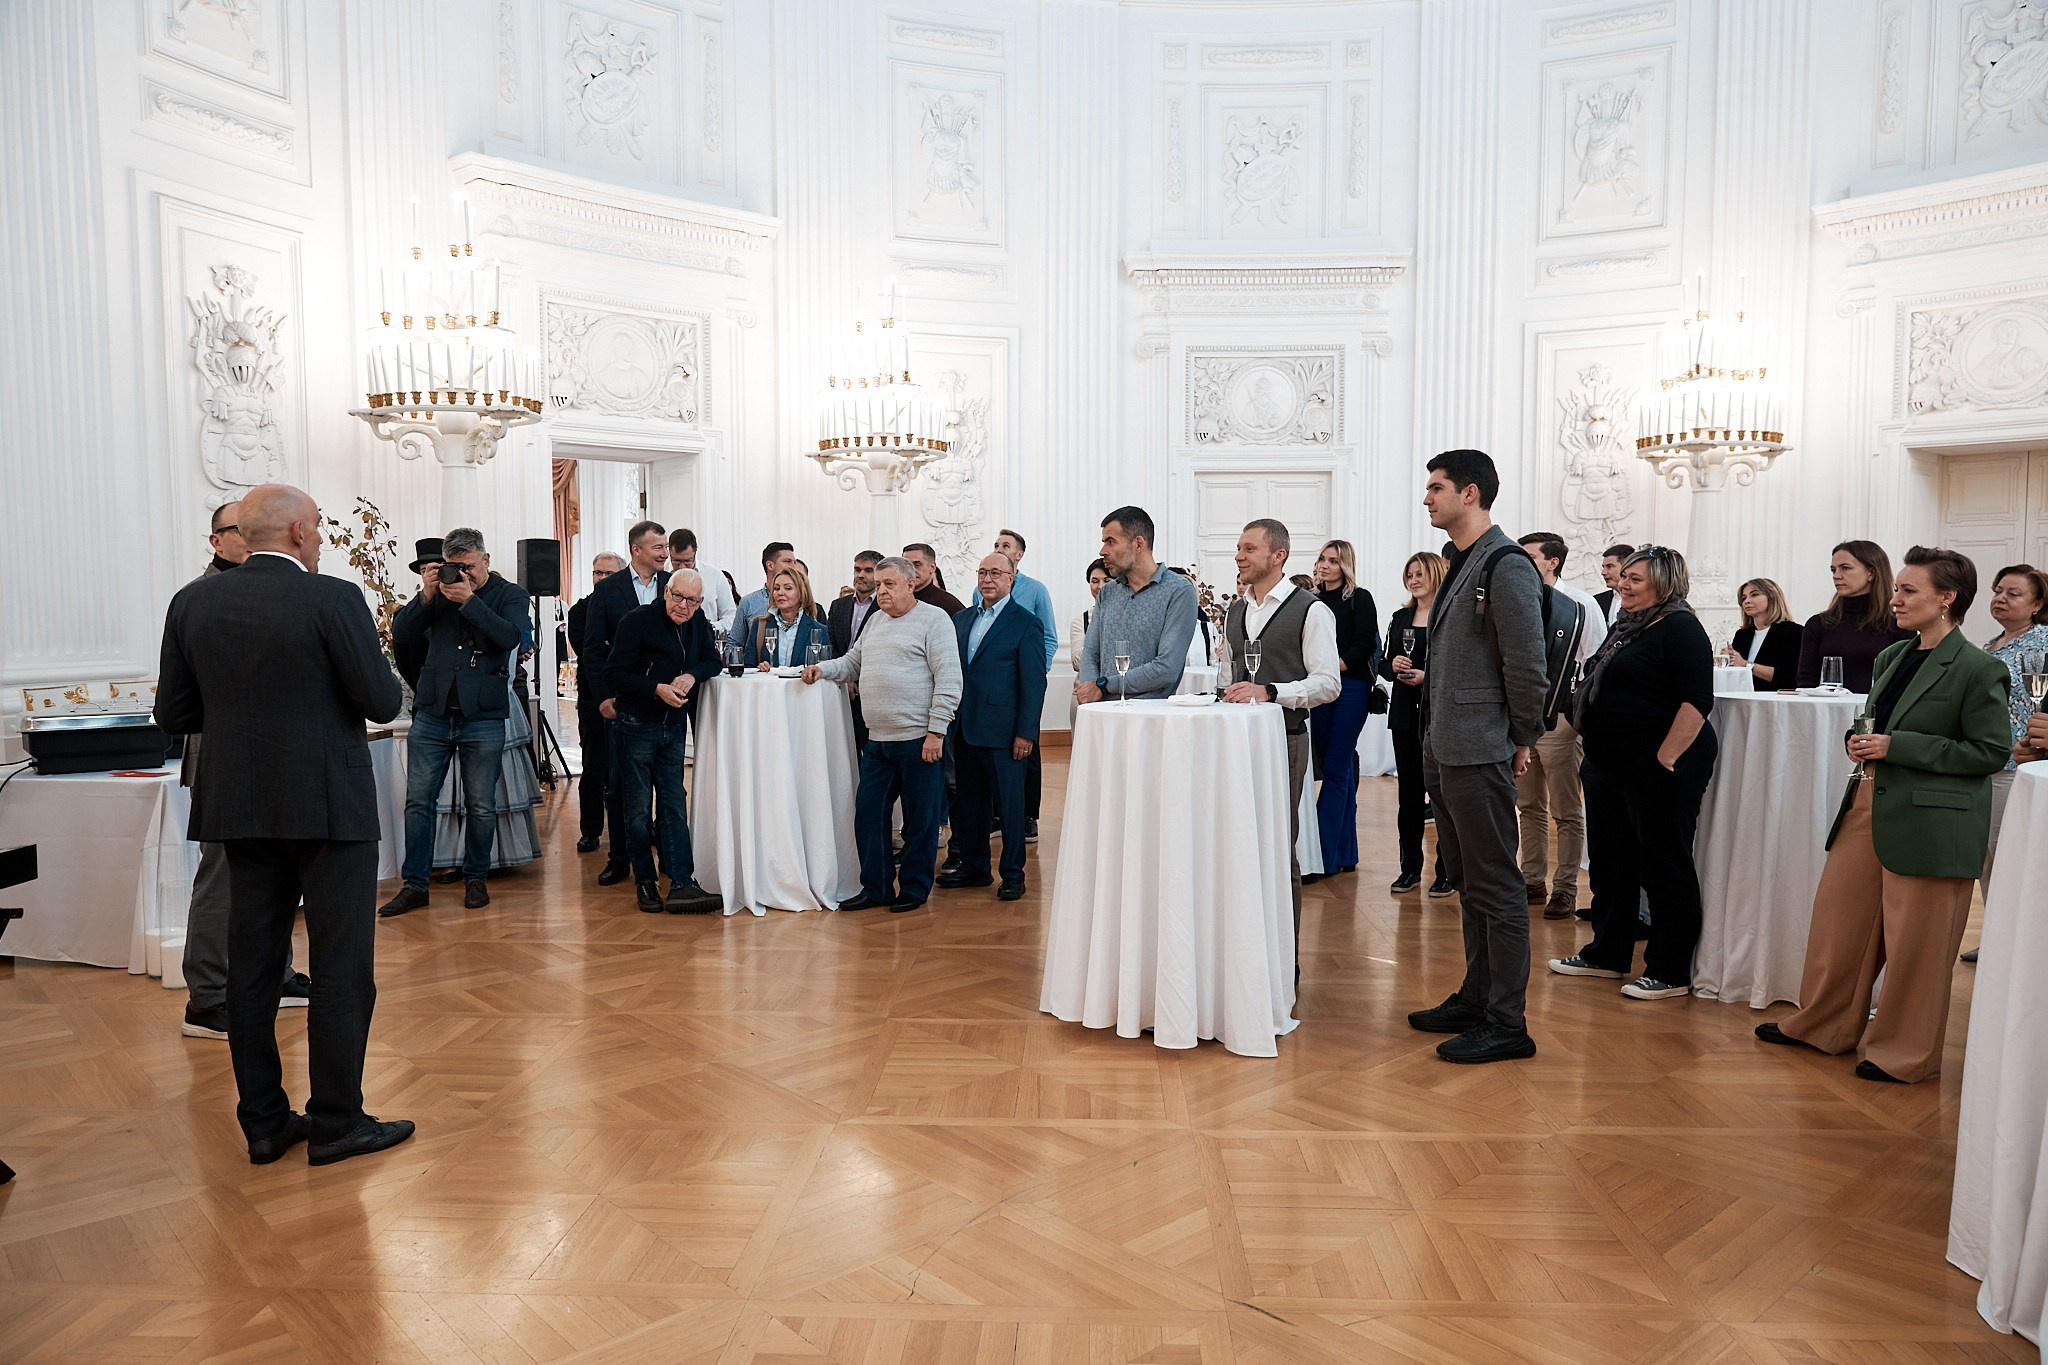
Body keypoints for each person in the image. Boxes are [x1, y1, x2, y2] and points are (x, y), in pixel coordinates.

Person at [154, 482, 412, 1167]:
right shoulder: (332, 598)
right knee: (341, 967)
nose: (324, 538)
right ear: (298, 532)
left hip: (239, 807)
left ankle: (265, 1123)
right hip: (330, 808)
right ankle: (336, 1121)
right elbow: (383, 697)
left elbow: (173, 713)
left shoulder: (192, 602)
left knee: (253, 968)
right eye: (320, 527)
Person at [1758, 547, 2012, 1083]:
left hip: (1933, 819)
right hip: (1868, 803)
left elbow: (1989, 752)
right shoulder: (1892, 658)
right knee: (1839, 924)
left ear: (1947, 598)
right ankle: (1824, 1024)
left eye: (1908, 590)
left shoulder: (1979, 667)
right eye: (1896, 588)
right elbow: (1874, 722)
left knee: (1918, 946)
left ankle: (1904, 1053)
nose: (1895, 599)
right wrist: (1860, 739)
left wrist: (1898, 746)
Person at [1403, 450, 1549, 1065]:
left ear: (1470, 492)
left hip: (1480, 746)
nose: (1428, 498)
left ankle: (1507, 1022)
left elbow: (1527, 663)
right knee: (1467, 880)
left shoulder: (1506, 563)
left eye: (1436, 488)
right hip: (1448, 745)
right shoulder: (1461, 563)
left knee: (1496, 883)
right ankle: (1476, 995)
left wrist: (1522, 737)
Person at [1548, 546, 1718, 999]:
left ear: (1664, 583)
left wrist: (1663, 760)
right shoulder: (1628, 626)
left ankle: (1669, 969)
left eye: (1635, 579)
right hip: (1609, 763)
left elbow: (1697, 701)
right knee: (1611, 861)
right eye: (1623, 576)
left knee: (1664, 864)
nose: (1623, 584)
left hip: (1658, 764)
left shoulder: (1679, 627)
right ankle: (1607, 953)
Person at [178, 499, 310, 1040]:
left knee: (274, 873)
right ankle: (207, 996)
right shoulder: (198, 600)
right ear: (217, 541)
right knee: (225, 876)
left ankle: (273, 976)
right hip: (225, 755)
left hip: (273, 755)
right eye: (240, 531)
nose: (253, 539)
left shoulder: (277, 592)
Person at [380, 527, 527, 917]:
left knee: (481, 805)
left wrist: (469, 601)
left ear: (486, 560)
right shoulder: (438, 593)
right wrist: (426, 595)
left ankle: (475, 878)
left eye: (470, 567)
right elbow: (402, 634)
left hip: (483, 716)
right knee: (418, 803)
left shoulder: (510, 594)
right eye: (454, 567)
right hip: (433, 712)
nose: (463, 575)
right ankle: (415, 885)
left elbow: (509, 637)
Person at [804, 557, 961, 912]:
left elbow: (950, 678)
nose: (881, 591)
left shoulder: (934, 620)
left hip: (919, 739)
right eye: (878, 585)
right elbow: (852, 663)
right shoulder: (875, 622)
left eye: (889, 584)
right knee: (868, 814)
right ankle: (876, 888)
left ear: (911, 584)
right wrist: (822, 669)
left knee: (920, 821)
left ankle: (915, 889)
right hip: (878, 740)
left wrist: (937, 731)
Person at [1221, 520, 1341, 957]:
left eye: (1249, 548)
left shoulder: (1311, 610)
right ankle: (1239, 952)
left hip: (1284, 741)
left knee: (1276, 845)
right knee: (1233, 844)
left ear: (1279, 556)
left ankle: (1282, 961)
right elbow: (1230, 674)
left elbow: (1329, 683)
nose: (1239, 556)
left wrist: (1272, 691)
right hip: (1232, 744)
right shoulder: (1236, 611)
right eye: (1238, 547)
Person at [603, 570, 724, 915]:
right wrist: (656, 688)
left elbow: (712, 660)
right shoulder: (637, 621)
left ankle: (682, 881)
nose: (683, 607)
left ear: (701, 603)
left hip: (673, 728)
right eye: (678, 597)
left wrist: (692, 674)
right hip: (637, 724)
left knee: (673, 804)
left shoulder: (698, 622)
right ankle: (645, 880)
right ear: (666, 592)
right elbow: (614, 674)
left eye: (692, 601)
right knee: (638, 810)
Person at [938, 553, 1047, 900]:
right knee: (969, 803)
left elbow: (1033, 683)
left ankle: (1013, 874)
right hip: (964, 727)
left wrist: (1026, 732)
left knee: (1010, 807)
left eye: (996, 573)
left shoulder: (1025, 623)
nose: (988, 579)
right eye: (983, 572)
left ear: (1012, 577)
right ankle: (974, 867)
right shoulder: (962, 619)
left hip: (1005, 733)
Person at [1514, 531, 1607, 921]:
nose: (1521, 563)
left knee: (1567, 809)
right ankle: (1532, 879)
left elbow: (1596, 663)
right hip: (1522, 719)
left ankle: (1565, 888)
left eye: (1529, 557)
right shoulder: (1518, 600)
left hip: (1562, 720)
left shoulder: (1581, 605)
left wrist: (1578, 719)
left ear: (1552, 562)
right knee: (1528, 805)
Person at [580, 521, 669, 887]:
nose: (665, 552)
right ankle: (619, 859)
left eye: (665, 547)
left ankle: (668, 854)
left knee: (666, 787)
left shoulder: (673, 587)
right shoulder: (609, 590)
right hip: (621, 702)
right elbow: (592, 649)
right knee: (617, 786)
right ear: (637, 550)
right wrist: (603, 696)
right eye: (658, 547)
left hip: (666, 704)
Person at [1969, 564, 2048, 948]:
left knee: (2008, 859)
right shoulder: (1989, 644)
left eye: (2013, 593)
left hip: (2021, 764)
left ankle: (2014, 945)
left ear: (2037, 604)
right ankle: (1995, 941)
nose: (2000, 598)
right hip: (1985, 761)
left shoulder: (2045, 642)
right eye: (1997, 590)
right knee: (1986, 860)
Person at [1304, 539, 1379, 881]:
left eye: (1333, 560)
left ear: (1344, 565)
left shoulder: (1359, 599)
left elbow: (1365, 642)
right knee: (1342, 768)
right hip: (1319, 689)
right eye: (1322, 559)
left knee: (1335, 768)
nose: (1325, 565)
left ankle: (1322, 855)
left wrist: (1332, 667)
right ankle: (1345, 852)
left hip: (1351, 687)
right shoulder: (1310, 601)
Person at [1077, 506, 1197, 703]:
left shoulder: (1179, 592)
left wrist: (1103, 685)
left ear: (1138, 544)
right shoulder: (1108, 592)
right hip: (1102, 711)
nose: (1102, 551)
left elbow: (1167, 668)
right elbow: (1090, 651)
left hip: (1149, 717)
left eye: (1111, 542)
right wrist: (1090, 689)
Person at [1381, 551, 1449, 896]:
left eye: (1420, 573)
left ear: (1435, 574)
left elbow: (1457, 666)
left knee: (1442, 798)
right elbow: (1380, 663)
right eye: (1410, 574)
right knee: (1409, 797)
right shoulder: (1400, 617)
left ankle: (1446, 871)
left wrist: (1427, 676)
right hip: (1406, 714)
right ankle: (1409, 869)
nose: (1414, 579)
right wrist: (1391, 664)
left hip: (1438, 714)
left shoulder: (1447, 615)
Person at [994, 529, 1059, 843]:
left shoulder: (1036, 590)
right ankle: (998, 813)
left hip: (1027, 680)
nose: (999, 548)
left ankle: (1029, 815)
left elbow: (1048, 637)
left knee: (1028, 747)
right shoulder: (982, 590)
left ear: (1019, 554)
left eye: (1005, 545)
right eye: (996, 544)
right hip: (995, 686)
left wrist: (1037, 673)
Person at [1796, 540, 1914, 691]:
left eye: (1845, 568)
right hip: (1826, 711)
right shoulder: (1818, 624)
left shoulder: (1898, 623)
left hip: (1877, 711)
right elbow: (1806, 682)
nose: (1836, 576)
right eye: (1833, 570)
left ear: (1871, 572)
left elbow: (1904, 681)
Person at [565, 552, 623, 854]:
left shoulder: (631, 606)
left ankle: (630, 832)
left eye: (609, 574)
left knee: (627, 768)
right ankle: (590, 830)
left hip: (629, 696)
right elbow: (590, 652)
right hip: (593, 696)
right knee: (593, 766)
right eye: (597, 572)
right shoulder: (580, 611)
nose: (601, 578)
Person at [827, 550, 883, 753]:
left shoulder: (885, 607)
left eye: (868, 570)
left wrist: (856, 679)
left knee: (869, 753)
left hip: (869, 692)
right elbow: (831, 645)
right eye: (857, 569)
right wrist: (845, 678)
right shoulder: (838, 605)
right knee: (842, 751)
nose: (861, 575)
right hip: (839, 688)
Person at [743, 563, 832, 667]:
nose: (780, 592)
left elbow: (825, 670)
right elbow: (748, 667)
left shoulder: (820, 631)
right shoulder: (759, 626)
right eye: (776, 588)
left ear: (802, 593)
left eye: (788, 588)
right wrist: (760, 668)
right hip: (769, 683)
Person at [1727, 578, 1803, 692]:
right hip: (1743, 698)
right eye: (1743, 598)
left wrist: (1746, 665)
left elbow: (1788, 676)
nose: (1747, 601)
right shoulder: (1742, 635)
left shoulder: (1793, 632)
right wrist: (1729, 660)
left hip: (1776, 700)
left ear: (1772, 597)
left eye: (1754, 594)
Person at [669, 528, 736, 635]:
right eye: (676, 561)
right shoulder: (662, 576)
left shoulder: (715, 576)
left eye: (687, 561)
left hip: (706, 640)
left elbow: (731, 618)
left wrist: (709, 627)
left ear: (695, 553)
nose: (682, 567)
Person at [736, 541, 796, 630]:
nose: (793, 567)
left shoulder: (803, 602)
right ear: (770, 565)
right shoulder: (748, 603)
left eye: (794, 562)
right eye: (787, 561)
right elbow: (735, 642)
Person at [1067, 558, 1110, 673]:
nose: (1100, 586)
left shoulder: (1129, 615)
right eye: (1095, 581)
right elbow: (1077, 662)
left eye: (1107, 580)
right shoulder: (1080, 621)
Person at [902, 542, 967, 615]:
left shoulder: (950, 605)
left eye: (917, 565)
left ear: (932, 567)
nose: (911, 570)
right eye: (906, 566)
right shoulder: (895, 600)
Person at [1594, 544, 1632, 627]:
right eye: (1603, 567)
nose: (1603, 572)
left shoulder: (1642, 601)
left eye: (1610, 567)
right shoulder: (1597, 601)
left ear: (1626, 567)